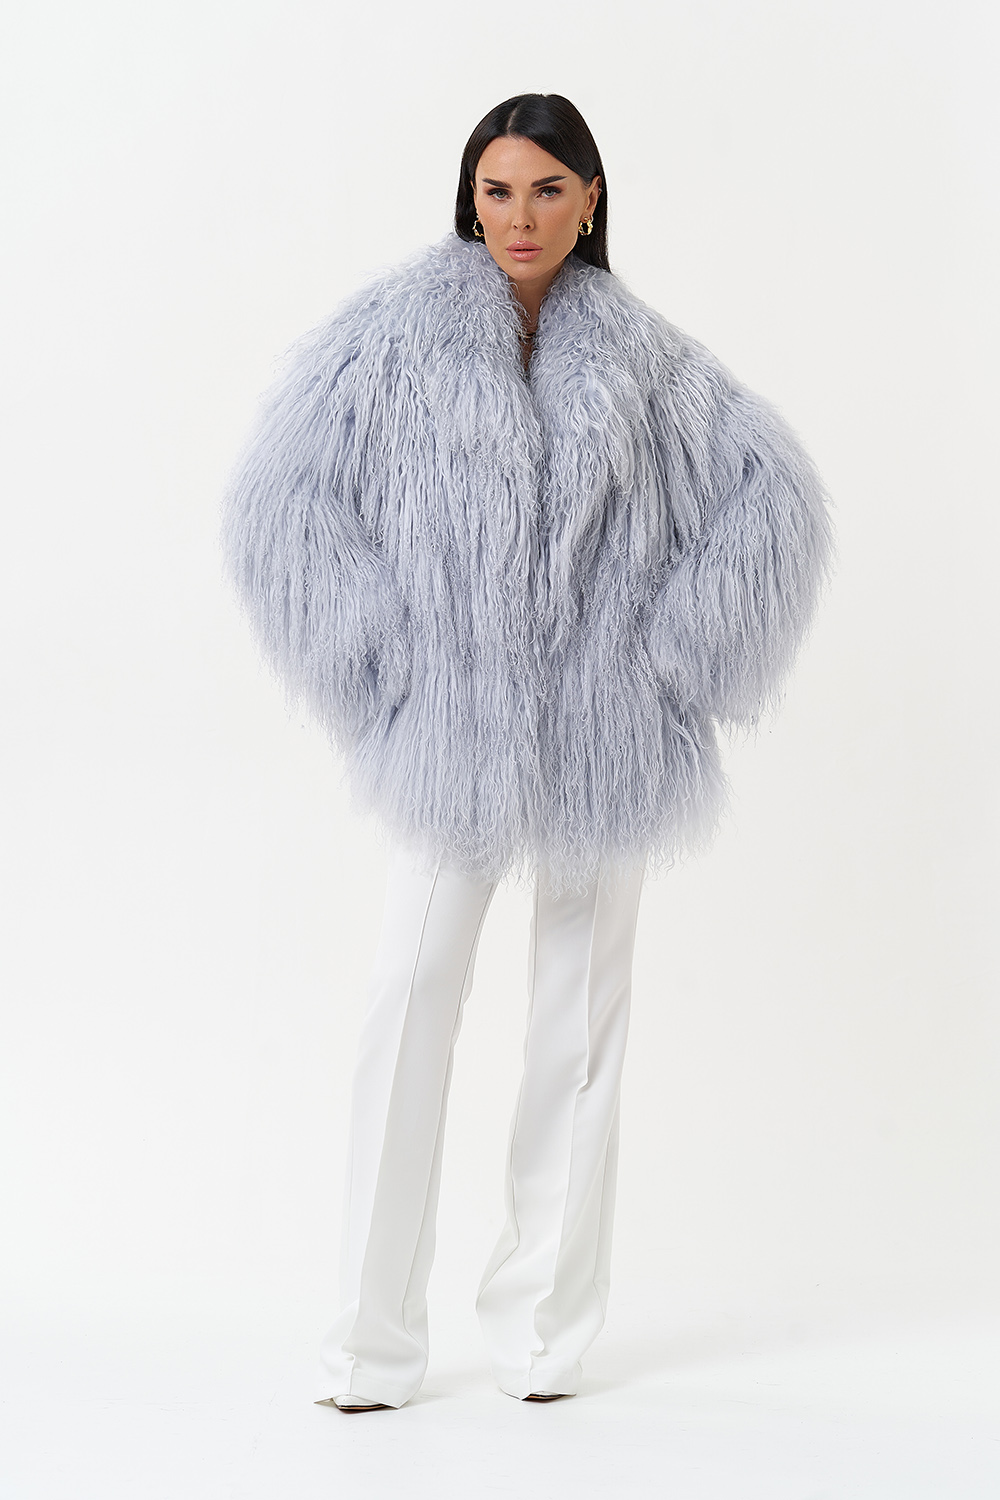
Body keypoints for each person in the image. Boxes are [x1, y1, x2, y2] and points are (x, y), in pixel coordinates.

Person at [221, 92, 833, 1412]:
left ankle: (543, 1336)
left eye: (548, 190)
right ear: (470, 197)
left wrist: (680, 655)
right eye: (497, 190)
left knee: (580, 1023)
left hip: (608, 735)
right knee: (409, 993)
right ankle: (369, 1342)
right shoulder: (391, 339)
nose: (520, 216)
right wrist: (381, 658)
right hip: (451, 729)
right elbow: (279, 498)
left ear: (590, 200)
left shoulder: (651, 360)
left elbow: (774, 496)